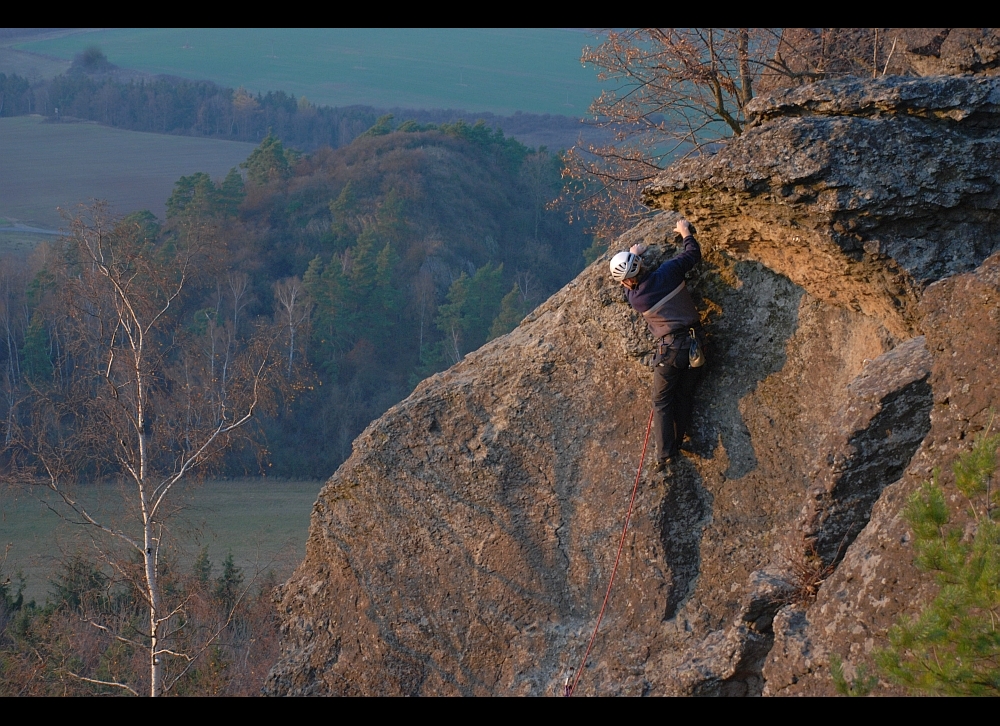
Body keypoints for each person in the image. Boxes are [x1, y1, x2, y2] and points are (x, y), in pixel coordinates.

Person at [609, 218, 704, 474]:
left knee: (662, 402)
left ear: (626, 282)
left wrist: (632, 253)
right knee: (685, 394)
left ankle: (666, 453)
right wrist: (684, 231)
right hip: (697, 344)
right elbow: (692, 253)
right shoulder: (669, 271)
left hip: (670, 351)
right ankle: (678, 438)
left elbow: (630, 285)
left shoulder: (636, 298)